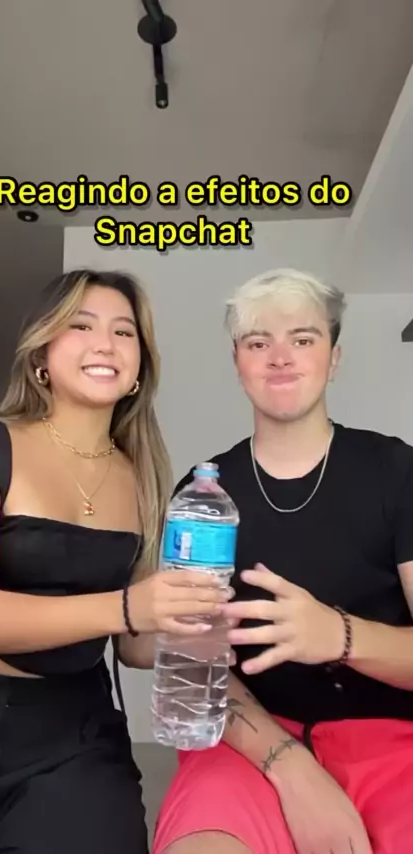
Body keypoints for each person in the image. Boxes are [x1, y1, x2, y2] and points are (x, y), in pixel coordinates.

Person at [0, 268, 230, 854]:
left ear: (139, 368)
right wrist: (129, 606)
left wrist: (201, 627)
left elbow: (134, 646)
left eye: (124, 332)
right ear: (42, 351)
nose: (105, 344)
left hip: (73, 733)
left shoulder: (143, 475)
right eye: (81, 325)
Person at [152, 269, 413, 854]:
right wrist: (289, 765)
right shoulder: (204, 497)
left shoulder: (397, 472)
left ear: (334, 357)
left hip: (393, 741)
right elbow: (193, 660)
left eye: (302, 338)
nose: (280, 357)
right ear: (237, 362)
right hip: (252, 741)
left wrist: (339, 635)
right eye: (257, 341)